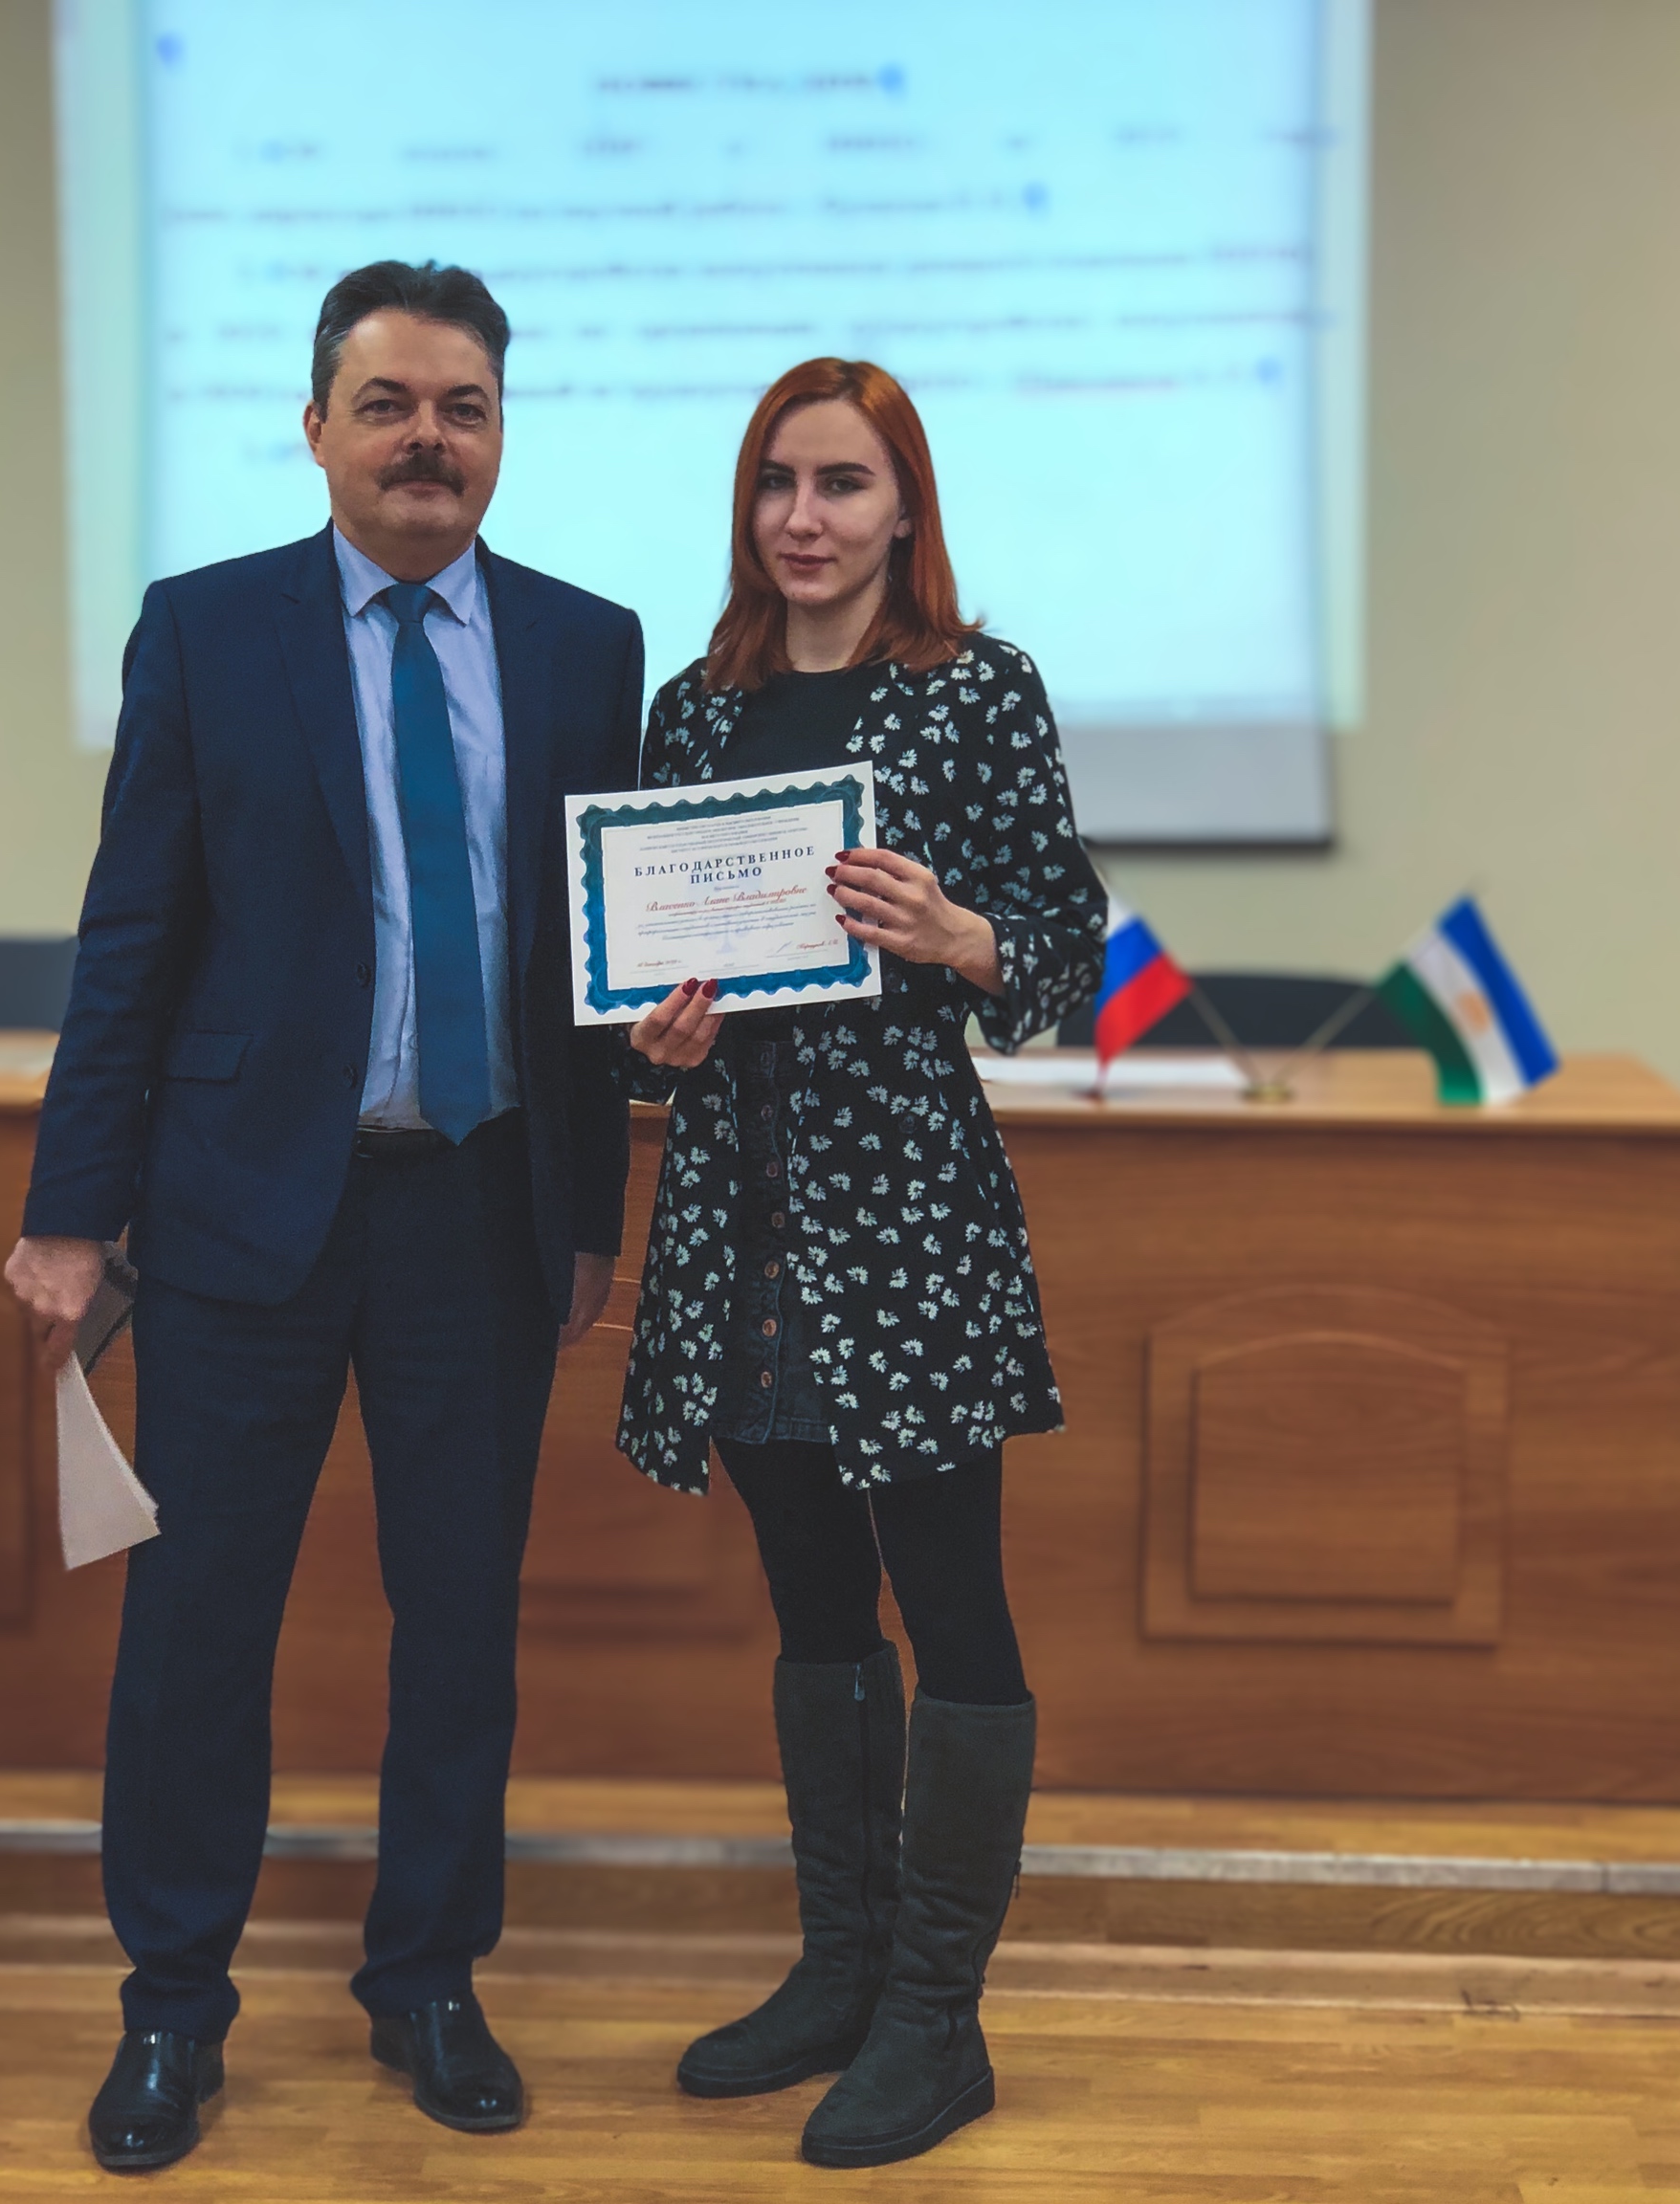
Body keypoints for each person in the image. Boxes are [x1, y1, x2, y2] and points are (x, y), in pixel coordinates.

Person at [3, 260, 642, 2174]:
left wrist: (591, 1209)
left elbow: (585, 964)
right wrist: (70, 1209)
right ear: (316, 428)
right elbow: (131, 936)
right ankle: (171, 2008)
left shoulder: (585, 646)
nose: (427, 438)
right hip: (240, 1217)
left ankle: (429, 1980)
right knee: (198, 1628)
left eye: (463, 407)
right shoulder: (207, 631)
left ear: (501, 435)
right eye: (389, 404)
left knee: (460, 1627)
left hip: (482, 1211)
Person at [618, 359, 1105, 2169]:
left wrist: (964, 933)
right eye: (777, 483)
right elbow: (635, 990)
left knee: (951, 1601)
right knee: (815, 1608)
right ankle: (842, 1969)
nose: (803, 518)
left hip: (906, 1219)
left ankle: (936, 2017)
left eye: (841, 483)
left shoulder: (976, 691)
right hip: (736, 1220)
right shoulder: (694, 710)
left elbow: (1068, 951)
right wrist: (646, 1044)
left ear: (906, 508)